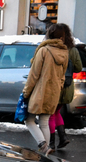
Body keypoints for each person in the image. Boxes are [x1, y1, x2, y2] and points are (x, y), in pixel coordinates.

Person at [22, 24, 69, 155]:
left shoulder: (43, 51)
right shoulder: (65, 53)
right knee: (44, 121)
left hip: (39, 92)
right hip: (53, 93)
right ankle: (45, 151)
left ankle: (43, 146)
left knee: (29, 120)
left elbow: (34, 74)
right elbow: (62, 76)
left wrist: (26, 92)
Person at [49, 23, 82, 150]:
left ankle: (51, 143)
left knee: (51, 114)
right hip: (67, 88)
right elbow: (78, 68)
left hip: (55, 86)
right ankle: (63, 138)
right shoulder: (73, 50)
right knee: (56, 112)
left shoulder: (50, 49)